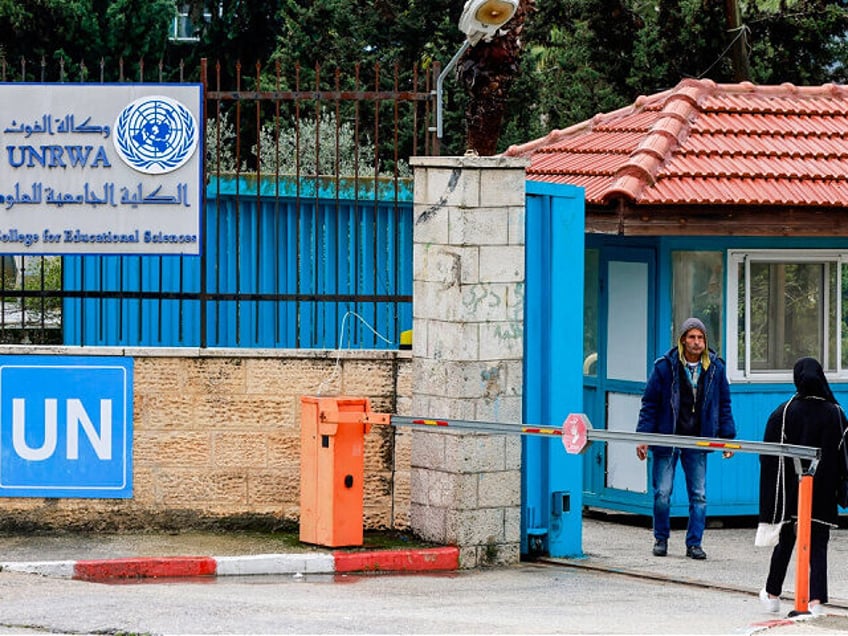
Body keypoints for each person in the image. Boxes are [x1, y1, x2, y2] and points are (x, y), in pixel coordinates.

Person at [636, 317, 736, 560]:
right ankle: (661, 539)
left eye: (700, 337)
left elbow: (723, 404)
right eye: (692, 337)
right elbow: (649, 403)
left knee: (699, 494)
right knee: (662, 492)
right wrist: (642, 437)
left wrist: (728, 437)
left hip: (697, 439)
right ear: (682, 340)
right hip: (668, 437)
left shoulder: (715, 368)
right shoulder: (664, 367)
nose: (697, 342)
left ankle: (694, 544)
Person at [758, 357, 848, 616]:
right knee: (818, 545)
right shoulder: (836, 413)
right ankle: (816, 602)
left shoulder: (783, 412)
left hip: (788, 492)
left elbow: (768, 456)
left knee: (785, 542)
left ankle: (772, 594)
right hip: (822, 494)